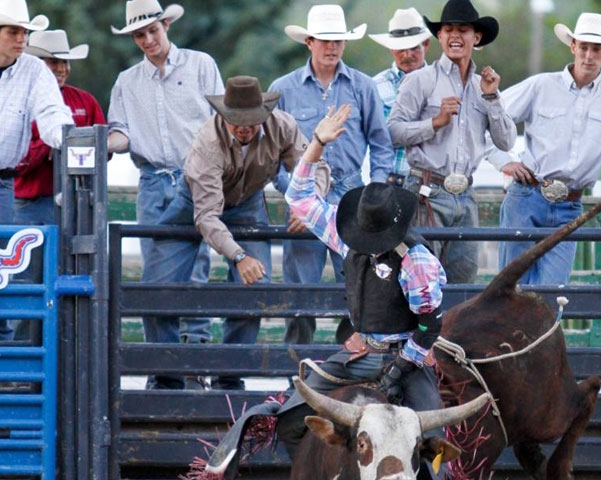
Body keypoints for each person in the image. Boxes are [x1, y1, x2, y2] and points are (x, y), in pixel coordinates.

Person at [205, 105, 447, 478]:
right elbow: (298, 197)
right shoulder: (349, 237)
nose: (367, 242)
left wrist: (401, 368)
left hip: (406, 356)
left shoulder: (415, 260)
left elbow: (430, 325)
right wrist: (316, 143)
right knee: (288, 414)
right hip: (361, 350)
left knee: (434, 445)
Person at [155, 76, 326, 390]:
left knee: (255, 287)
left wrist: (308, 203)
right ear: (224, 116)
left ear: (263, 115)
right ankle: (166, 377)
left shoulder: (283, 126)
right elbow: (206, 216)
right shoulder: (207, 143)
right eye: (237, 121)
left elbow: (313, 165)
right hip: (191, 203)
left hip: (247, 203)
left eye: (252, 120)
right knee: (158, 288)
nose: (244, 127)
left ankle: (229, 377)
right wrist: (238, 255)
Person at [490, 12, 601, 286]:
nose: (588, 56)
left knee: (553, 292)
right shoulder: (541, 85)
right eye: (583, 47)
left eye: (596, 49)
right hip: (527, 195)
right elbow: (490, 115)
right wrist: (502, 160)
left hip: (569, 205)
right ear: (573, 47)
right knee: (512, 289)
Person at [107, 0, 225, 390]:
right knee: (154, 276)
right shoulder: (127, 81)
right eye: (140, 34)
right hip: (154, 180)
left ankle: (193, 359)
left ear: (166, 26)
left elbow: (221, 121)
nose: (147, 39)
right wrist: (105, 143)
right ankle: (165, 365)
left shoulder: (201, 65)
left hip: (196, 177)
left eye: (152, 31)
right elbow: (120, 132)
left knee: (196, 271)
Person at [269, 4, 395, 345]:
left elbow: (381, 145)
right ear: (309, 41)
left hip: (353, 196)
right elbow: (273, 155)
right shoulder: (284, 88)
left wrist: (377, 191)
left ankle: (346, 371)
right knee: (301, 295)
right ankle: (295, 375)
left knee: (356, 289)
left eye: (338, 39)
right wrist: (294, 198)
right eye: (324, 40)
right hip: (305, 196)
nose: (332, 46)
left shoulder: (363, 86)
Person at [0, 0, 72, 344]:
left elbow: (52, 112)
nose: (22, 39)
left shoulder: (35, 71)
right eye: (14, 31)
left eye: (25, 32)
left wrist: (68, 137)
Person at [387, 0, 517, 284]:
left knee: (463, 286)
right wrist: (435, 123)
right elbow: (394, 131)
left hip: (466, 196)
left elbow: (506, 142)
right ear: (440, 37)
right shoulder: (420, 80)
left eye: (463, 30)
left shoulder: (484, 86)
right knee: (420, 284)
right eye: (448, 29)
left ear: (476, 38)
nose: (455, 35)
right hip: (425, 193)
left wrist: (492, 98)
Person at [11, 29, 106, 342]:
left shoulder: (85, 101)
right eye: (53, 62)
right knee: (27, 284)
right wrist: (52, 146)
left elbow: (100, 152)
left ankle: (67, 363)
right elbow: (16, 159)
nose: (62, 68)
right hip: (32, 204)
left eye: (64, 61)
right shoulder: (19, 101)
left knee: (73, 281)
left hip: (77, 206)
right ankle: (26, 367)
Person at [369, 7, 432, 185]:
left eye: (413, 48)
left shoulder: (441, 82)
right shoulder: (375, 87)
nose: (407, 55)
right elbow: (377, 138)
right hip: (392, 183)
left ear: (425, 44)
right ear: (391, 49)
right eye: (400, 49)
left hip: (433, 187)